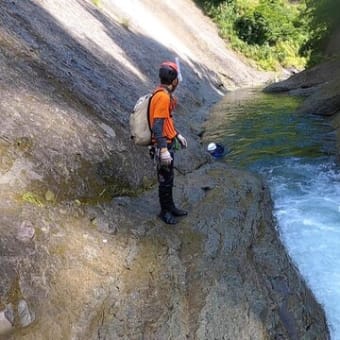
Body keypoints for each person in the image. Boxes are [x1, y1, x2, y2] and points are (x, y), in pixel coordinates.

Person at [149, 61, 188, 225]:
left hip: (167, 142)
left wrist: (177, 134)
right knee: (164, 181)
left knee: (169, 178)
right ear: (174, 81)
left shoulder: (162, 94)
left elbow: (167, 122)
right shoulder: (163, 97)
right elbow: (157, 126)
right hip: (161, 145)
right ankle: (164, 212)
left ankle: (170, 206)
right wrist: (163, 149)